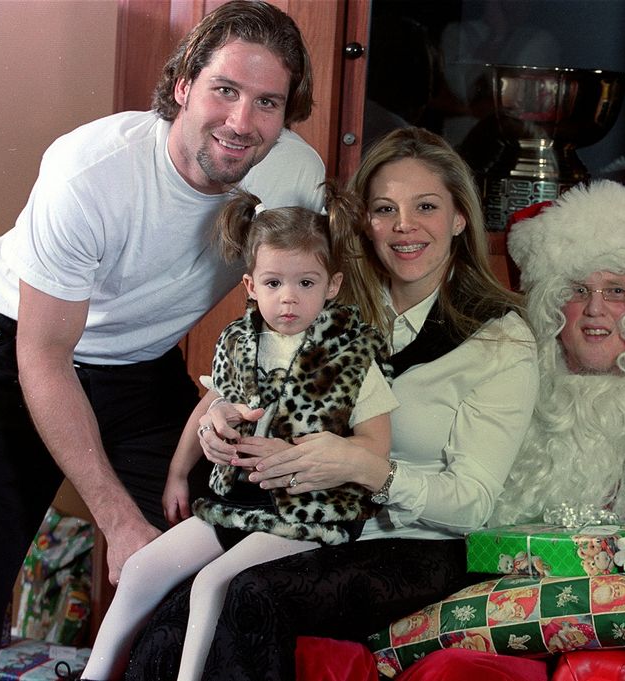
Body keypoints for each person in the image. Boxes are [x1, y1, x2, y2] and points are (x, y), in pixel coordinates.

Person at [0, 3, 324, 679]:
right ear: (183, 86)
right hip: (18, 355)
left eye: (267, 102)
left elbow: (304, 303)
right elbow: (44, 357)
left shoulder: (293, 176)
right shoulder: (90, 172)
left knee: (223, 536)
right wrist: (116, 519)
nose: (241, 121)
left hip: (140, 366)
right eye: (225, 90)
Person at [124, 126, 539, 681]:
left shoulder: (501, 341)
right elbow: (248, 389)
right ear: (363, 222)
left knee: (252, 596)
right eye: (384, 208)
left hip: (421, 543)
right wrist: (219, 428)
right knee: (176, 607)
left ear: (460, 218)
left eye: (426, 207)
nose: (404, 226)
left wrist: (365, 467)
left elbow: (475, 502)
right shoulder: (329, 305)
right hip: (307, 521)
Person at [398, 179, 625, 680]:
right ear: (550, 304)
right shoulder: (504, 398)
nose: (595, 309)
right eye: (577, 290)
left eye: (618, 291)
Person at [82, 192, 397, 681]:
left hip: (310, 510)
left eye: (305, 283)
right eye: (274, 283)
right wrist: (177, 473)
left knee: (213, 582)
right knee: (144, 569)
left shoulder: (351, 355)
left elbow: (376, 447)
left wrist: (297, 455)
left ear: (332, 286)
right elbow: (210, 406)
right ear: (251, 285)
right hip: (238, 500)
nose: (288, 297)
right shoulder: (239, 341)